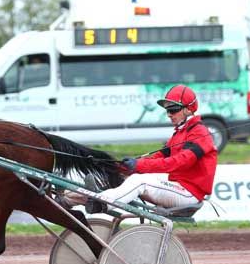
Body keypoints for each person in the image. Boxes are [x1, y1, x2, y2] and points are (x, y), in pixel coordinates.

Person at [69, 84, 218, 213]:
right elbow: (160, 155)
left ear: (188, 109)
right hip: (179, 187)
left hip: (189, 194)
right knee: (122, 178)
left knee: (141, 181)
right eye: (167, 111)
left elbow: (177, 162)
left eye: (173, 110)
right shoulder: (180, 132)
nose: (169, 115)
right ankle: (67, 198)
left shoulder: (200, 133)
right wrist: (126, 166)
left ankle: (102, 204)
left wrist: (139, 165)